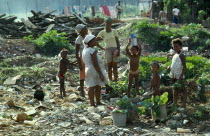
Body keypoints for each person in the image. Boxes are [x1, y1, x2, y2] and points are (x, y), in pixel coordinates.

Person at [82, 35, 109, 107]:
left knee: (97, 86)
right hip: (93, 70)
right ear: (90, 42)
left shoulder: (85, 50)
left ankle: (96, 102)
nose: (96, 42)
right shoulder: (92, 50)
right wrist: (100, 74)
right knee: (93, 86)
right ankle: (94, 103)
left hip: (89, 69)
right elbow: (95, 63)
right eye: (94, 40)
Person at [97, 18, 121, 82]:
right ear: (105, 23)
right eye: (107, 23)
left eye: (110, 23)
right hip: (107, 50)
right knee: (109, 66)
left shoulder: (114, 31)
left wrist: (119, 51)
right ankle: (110, 80)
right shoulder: (102, 32)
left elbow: (117, 42)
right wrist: (101, 48)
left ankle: (116, 80)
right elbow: (95, 40)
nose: (108, 24)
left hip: (115, 49)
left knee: (115, 66)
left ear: (111, 24)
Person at [169, 38, 187, 107]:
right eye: (174, 46)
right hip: (174, 74)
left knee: (183, 89)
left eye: (176, 46)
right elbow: (174, 64)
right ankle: (175, 102)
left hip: (179, 75)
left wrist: (181, 75)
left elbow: (184, 66)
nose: (175, 48)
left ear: (180, 46)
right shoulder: (174, 55)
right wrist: (169, 67)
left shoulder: (181, 55)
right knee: (175, 89)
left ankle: (184, 103)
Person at [75, 24, 88, 97]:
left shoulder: (87, 37)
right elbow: (76, 53)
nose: (86, 30)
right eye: (85, 29)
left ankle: (89, 88)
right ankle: (82, 91)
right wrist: (79, 63)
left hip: (88, 57)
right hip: (82, 57)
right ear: (81, 31)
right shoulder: (79, 39)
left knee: (89, 73)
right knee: (82, 74)